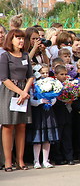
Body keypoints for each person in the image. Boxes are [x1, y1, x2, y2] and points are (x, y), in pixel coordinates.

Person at [0, 29, 34, 172]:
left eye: (22, 38)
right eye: (17, 38)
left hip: (23, 91)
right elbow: (4, 78)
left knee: (22, 126)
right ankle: (8, 161)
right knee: (8, 126)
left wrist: (25, 92)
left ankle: (20, 160)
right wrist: (20, 92)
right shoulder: (5, 56)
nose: (21, 41)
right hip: (9, 92)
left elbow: (30, 75)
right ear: (11, 40)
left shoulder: (25, 55)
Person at [28, 64, 59, 169]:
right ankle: (36, 160)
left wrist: (51, 101)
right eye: (42, 73)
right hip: (38, 112)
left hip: (48, 111)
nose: (45, 75)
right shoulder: (33, 85)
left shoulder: (52, 83)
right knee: (38, 138)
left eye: (47, 72)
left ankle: (46, 160)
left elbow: (55, 96)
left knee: (47, 137)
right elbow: (31, 101)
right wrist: (40, 101)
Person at [52, 65, 75, 166]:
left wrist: (70, 98)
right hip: (57, 113)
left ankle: (69, 157)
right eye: (62, 74)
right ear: (56, 75)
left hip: (67, 113)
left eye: (66, 74)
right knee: (58, 136)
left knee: (67, 136)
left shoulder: (68, 85)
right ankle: (58, 157)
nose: (64, 76)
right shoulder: (53, 85)